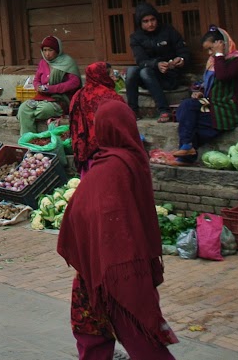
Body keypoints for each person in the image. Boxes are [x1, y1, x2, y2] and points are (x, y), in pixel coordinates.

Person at [58, 101, 178, 358]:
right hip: (117, 260)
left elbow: (91, 212)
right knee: (94, 325)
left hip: (114, 267)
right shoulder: (134, 159)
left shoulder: (110, 167)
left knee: (134, 328)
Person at [172, 26, 238, 161]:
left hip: (229, 109)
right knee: (186, 106)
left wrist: (219, 55)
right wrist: (201, 93)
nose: (209, 53)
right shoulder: (213, 61)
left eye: (211, 48)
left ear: (221, 44)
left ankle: (186, 157)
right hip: (214, 105)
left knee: (192, 125)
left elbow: (223, 76)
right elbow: (210, 85)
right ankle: (187, 146)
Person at [126, 4, 191, 122]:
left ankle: (164, 110)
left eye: (152, 20)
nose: (150, 24)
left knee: (145, 72)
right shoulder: (136, 37)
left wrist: (181, 60)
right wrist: (157, 64)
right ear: (140, 23)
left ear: (157, 19)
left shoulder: (168, 31)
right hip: (149, 75)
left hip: (169, 76)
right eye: (145, 21)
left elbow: (183, 51)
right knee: (133, 71)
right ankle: (133, 111)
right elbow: (141, 60)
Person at [68, 62, 126, 175]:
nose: (114, 78)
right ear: (103, 76)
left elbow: (74, 125)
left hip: (85, 150)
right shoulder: (112, 96)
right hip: (108, 152)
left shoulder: (78, 95)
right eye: (111, 74)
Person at [19, 36, 82, 136]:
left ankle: (32, 130)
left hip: (60, 99)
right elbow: (36, 80)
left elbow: (75, 82)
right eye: (44, 50)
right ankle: (28, 141)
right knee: (23, 109)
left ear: (57, 50)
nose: (47, 54)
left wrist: (52, 89)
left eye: (50, 50)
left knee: (43, 110)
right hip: (42, 98)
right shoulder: (43, 63)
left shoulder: (68, 62)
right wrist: (38, 87)